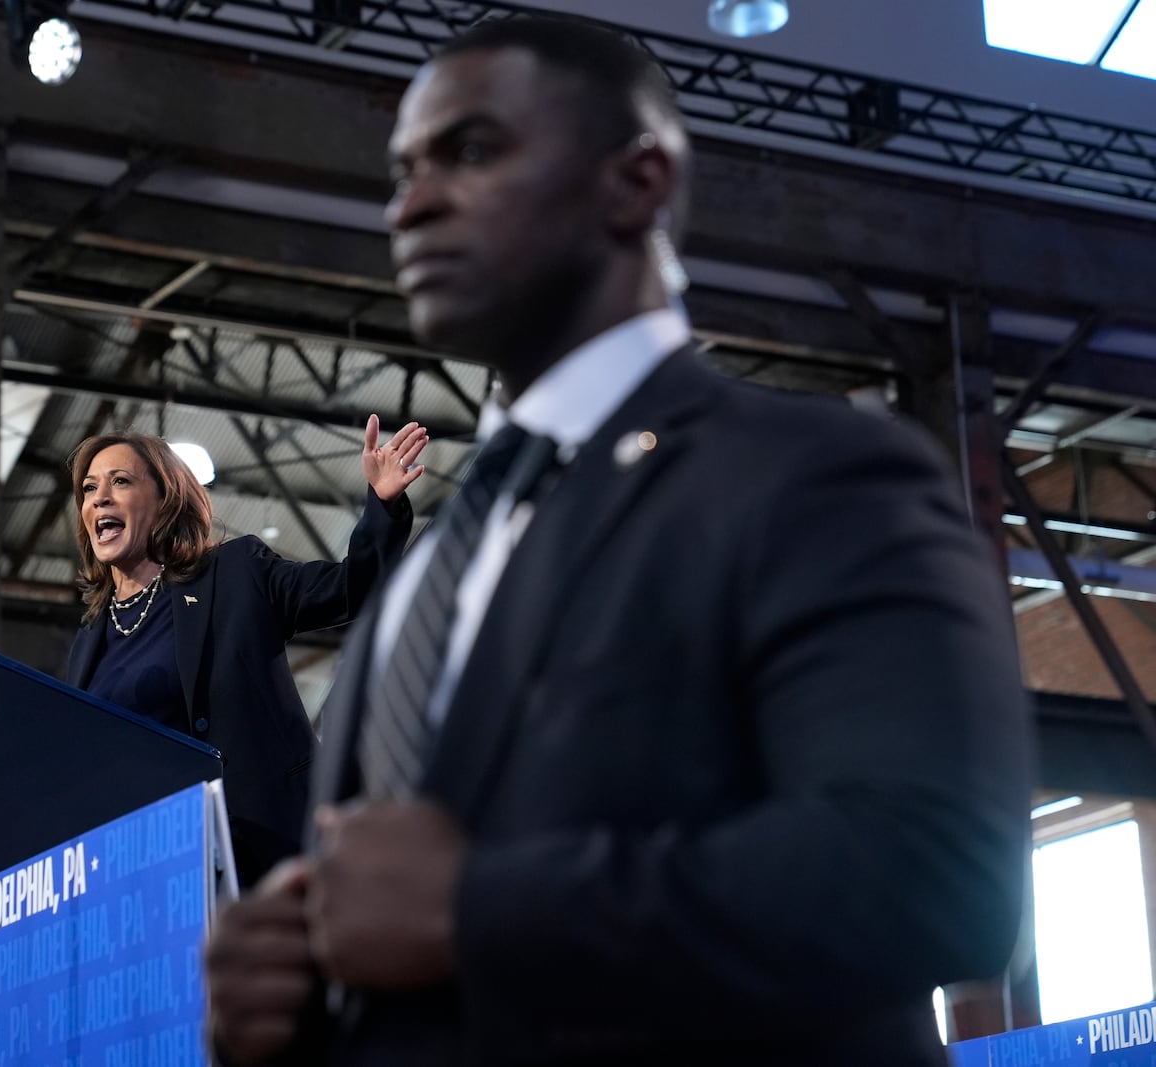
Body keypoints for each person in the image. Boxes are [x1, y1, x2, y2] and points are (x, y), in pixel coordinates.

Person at [204, 14, 1032, 1067]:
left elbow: (938, 873)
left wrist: (480, 908)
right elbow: (392, 936)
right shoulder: (424, 576)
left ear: (635, 180)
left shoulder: (812, 474)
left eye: (469, 150)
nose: (409, 204)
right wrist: (287, 995)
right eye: (401, 169)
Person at [62, 418, 427, 887]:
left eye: (121, 482)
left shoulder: (234, 576)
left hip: (264, 847)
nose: (100, 498)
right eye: (90, 489)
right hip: (153, 871)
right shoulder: (90, 638)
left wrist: (383, 503)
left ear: (165, 500)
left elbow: (351, 587)